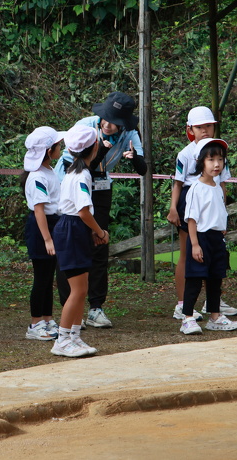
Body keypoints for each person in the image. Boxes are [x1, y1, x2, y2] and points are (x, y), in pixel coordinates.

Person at [54, 91, 146, 329]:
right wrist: (102, 151)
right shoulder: (84, 127)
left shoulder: (130, 133)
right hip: (72, 184)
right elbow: (74, 165)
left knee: (99, 245)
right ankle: (70, 308)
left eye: (115, 121)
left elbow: (143, 168)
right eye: (106, 118)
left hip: (101, 186)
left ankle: (96, 307)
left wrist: (135, 158)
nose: (108, 124)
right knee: (71, 247)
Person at [166, 106, 237, 322]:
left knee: (214, 252)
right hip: (191, 200)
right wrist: (173, 208)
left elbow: (222, 184)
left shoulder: (219, 151)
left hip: (213, 200)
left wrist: (222, 210)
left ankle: (213, 302)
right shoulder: (185, 154)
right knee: (189, 252)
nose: (205, 130)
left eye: (208, 126)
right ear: (190, 129)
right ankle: (182, 304)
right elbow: (178, 184)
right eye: (199, 127)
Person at [51, 126, 109, 358]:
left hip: (74, 228)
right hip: (72, 229)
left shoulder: (74, 171)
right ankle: (62, 340)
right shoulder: (81, 175)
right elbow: (83, 211)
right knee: (77, 290)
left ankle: (74, 336)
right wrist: (100, 232)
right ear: (95, 147)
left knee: (82, 289)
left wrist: (91, 231)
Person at [181, 138, 237, 334]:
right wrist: (195, 244)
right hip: (200, 238)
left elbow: (218, 210)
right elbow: (191, 219)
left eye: (220, 160)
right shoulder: (196, 188)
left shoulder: (217, 186)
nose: (217, 164)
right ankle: (187, 318)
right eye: (211, 160)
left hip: (216, 239)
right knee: (195, 279)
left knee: (216, 278)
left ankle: (215, 316)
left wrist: (222, 227)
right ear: (200, 162)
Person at [22, 126, 64, 341]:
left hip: (52, 224)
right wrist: (47, 239)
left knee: (48, 278)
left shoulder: (49, 170)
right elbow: (39, 210)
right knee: (41, 278)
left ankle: (47, 319)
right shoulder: (37, 177)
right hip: (41, 228)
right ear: (49, 151)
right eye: (58, 146)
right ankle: (35, 323)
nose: (61, 148)